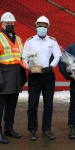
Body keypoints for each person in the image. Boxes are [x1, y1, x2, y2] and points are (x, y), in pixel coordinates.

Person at [22, 16, 62, 140]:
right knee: (33, 104)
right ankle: (32, 130)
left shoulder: (52, 41)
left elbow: (57, 56)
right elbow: (24, 58)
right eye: (40, 26)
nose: (42, 28)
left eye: (44, 26)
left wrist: (51, 67)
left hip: (48, 75)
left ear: (48, 28)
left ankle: (47, 130)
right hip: (34, 76)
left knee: (48, 104)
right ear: (35, 27)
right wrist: (29, 68)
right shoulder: (30, 41)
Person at [0, 12, 27, 144]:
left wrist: (23, 76)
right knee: (0, 107)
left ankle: (8, 129)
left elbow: (20, 58)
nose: (10, 25)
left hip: (15, 77)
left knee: (11, 106)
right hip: (3, 77)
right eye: (7, 23)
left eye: (12, 23)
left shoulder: (18, 39)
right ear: (2, 24)